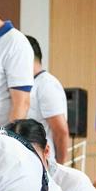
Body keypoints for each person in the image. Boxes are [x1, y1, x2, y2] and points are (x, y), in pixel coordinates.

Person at [26, 35, 70, 163]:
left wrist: (60, 167)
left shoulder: (46, 84)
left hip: (43, 163)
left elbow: (61, 131)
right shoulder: (27, 85)